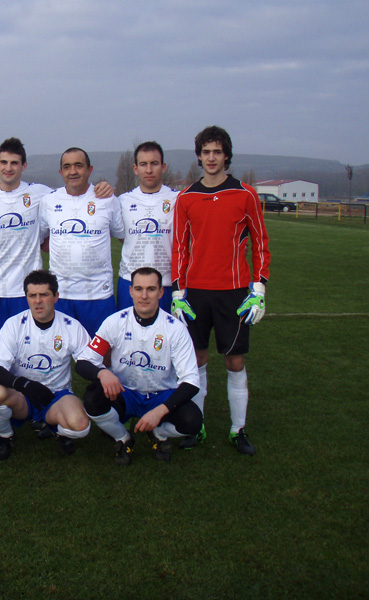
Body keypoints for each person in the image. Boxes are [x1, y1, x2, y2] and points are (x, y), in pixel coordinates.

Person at [171, 126, 270, 455]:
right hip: (196, 294)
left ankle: (237, 430)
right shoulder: (186, 197)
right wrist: (178, 293)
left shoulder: (245, 194)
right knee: (196, 360)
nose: (211, 157)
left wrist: (259, 288)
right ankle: (196, 426)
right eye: (206, 152)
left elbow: (261, 243)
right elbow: (179, 248)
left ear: (226, 155)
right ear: (199, 157)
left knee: (234, 361)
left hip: (234, 293)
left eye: (217, 151)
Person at [0, 138, 115, 343]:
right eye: (4, 162)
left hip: (28, 286)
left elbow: (72, 196)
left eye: (14, 163)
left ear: (24, 165)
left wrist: (102, 187)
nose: (8, 168)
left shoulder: (41, 194)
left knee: (32, 342)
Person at [76, 267, 202, 464]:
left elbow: (191, 381)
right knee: (92, 398)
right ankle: (123, 438)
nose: (144, 296)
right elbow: (84, 361)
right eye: (139, 289)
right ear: (131, 291)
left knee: (193, 421)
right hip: (125, 392)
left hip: (161, 394)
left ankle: (159, 433)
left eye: (151, 289)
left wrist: (160, 411)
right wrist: (103, 374)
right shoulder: (115, 322)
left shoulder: (175, 329)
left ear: (161, 292)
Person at [0, 270, 92, 460]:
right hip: (22, 396)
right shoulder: (13, 325)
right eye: (32, 295)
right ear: (26, 297)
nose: (37, 301)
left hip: (56, 395)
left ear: (56, 297)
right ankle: (5, 436)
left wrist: (101, 378)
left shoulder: (71, 326)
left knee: (81, 425)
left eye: (44, 295)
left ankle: (57, 430)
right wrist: (24, 385)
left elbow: (88, 362)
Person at [39, 147, 121, 336]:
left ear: (89, 170)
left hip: (98, 295)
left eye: (78, 165)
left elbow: (123, 237)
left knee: (100, 350)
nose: (73, 171)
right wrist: (68, 251)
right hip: (61, 295)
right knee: (60, 350)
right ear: (61, 172)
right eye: (67, 167)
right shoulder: (49, 201)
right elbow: (42, 238)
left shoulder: (107, 199)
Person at [115, 141, 177, 312]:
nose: (149, 170)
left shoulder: (177, 199)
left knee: (166, 329)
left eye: (154, 163)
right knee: (128, 329)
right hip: (130, 283)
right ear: (135, 168)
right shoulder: (123, 201)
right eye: (143, 164)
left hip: (166, 283)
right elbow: (122, 237)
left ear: (163, 167)